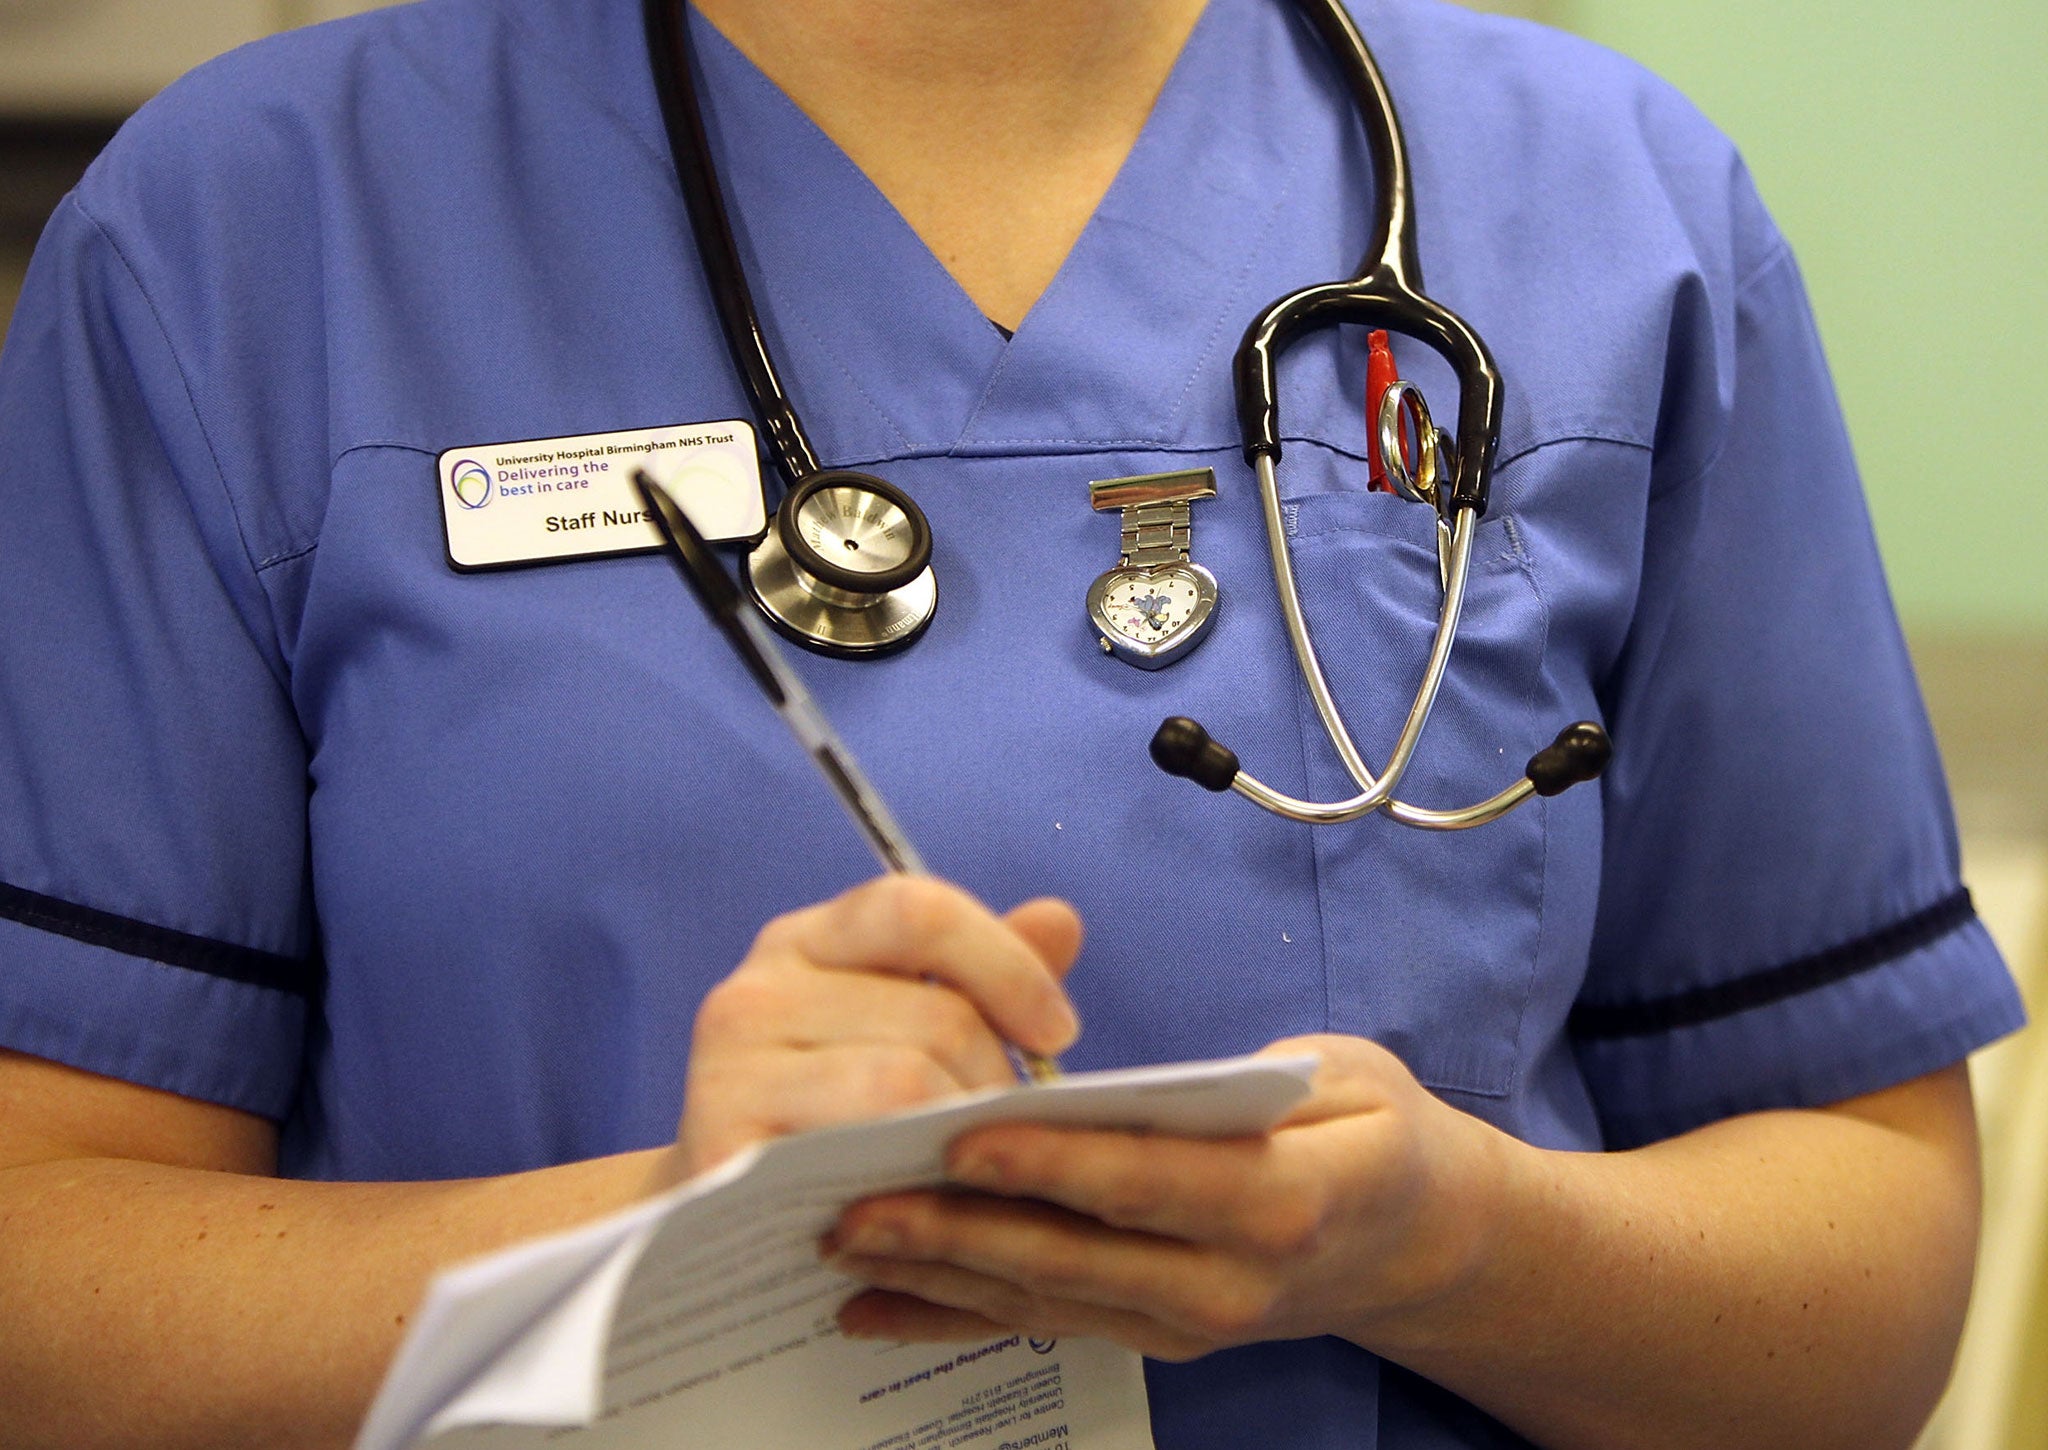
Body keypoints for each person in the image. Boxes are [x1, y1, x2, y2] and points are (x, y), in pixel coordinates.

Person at [0, 0, 2024, 1446]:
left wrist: (1447, 1238)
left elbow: (1866, 1299)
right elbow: (46, 1299)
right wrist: (680, 1231)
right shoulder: (250, 233)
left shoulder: (1607, 206)